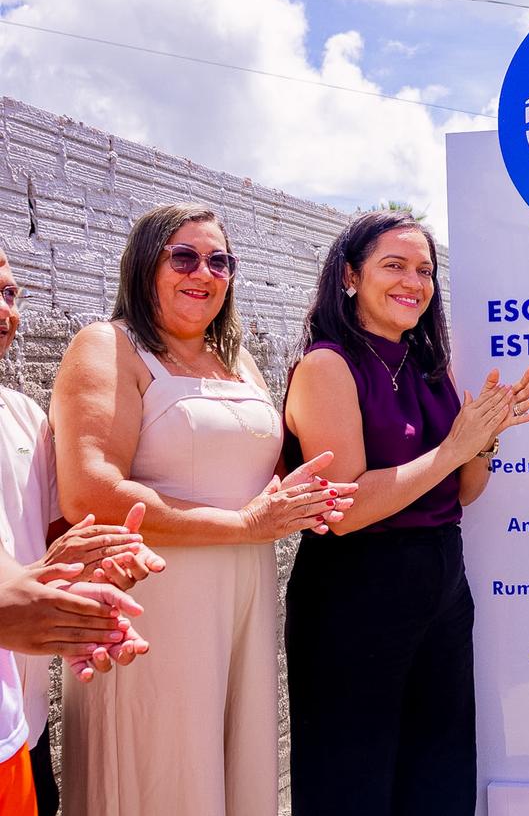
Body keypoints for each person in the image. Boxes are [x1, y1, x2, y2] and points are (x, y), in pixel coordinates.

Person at [49, 203, 356, 816]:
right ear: (144, 265)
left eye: (220, 260)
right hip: (155, 598)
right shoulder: (110, 346)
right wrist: (243, 525)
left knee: (233, 765)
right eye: (183, 256)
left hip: (244, 590)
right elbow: (90, 490)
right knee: (165, 769)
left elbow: (246, 465)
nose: (204, 272)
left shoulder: (235, 360)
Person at [284, 210, 529, 815]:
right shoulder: (327, 365)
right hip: (355, 589)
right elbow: (343, 508)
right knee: (353, 782)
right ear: (350, 276)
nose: (413, 282)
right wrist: (454, 445)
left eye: (424, 270)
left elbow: (463, 492)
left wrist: (485, 435)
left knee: (440, 777)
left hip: (442, 583)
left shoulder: (433, 367)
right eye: (393, 265)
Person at [0, 248, 155, 814]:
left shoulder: (23, 416)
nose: (4, 310)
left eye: (11, 293)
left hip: (21, 722)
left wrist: (95, 571)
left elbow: (49, 551)